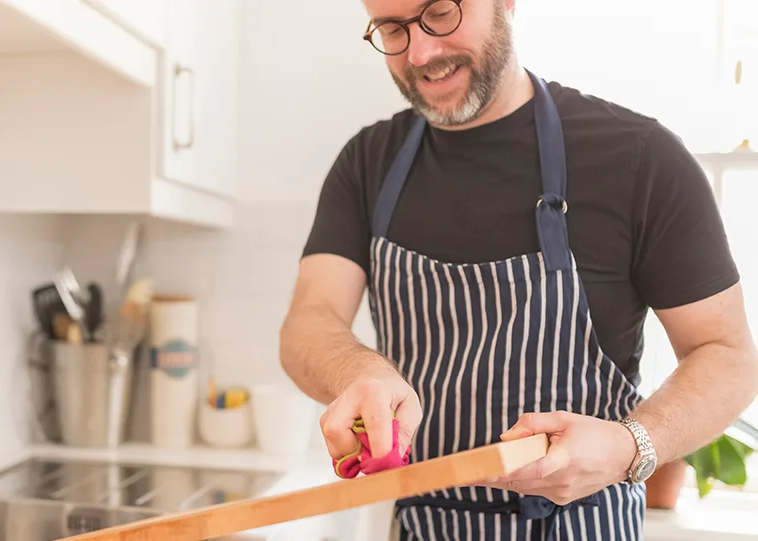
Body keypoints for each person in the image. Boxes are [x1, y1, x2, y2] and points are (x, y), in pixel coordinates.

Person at [279, 0, 758, 539]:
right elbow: (309, 320)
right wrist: (357, 373)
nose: (421, 52)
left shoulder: (641, 159)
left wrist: (631, 445)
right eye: (393, 28)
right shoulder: (368, 163)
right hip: (424, 528)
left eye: (440, 12)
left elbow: (729, 355)